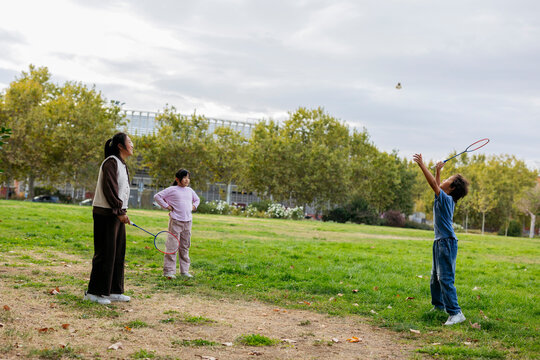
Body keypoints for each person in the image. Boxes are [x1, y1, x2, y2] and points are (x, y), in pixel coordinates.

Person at [413, 154, 469, 325]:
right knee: (435, 278)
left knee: (445, 278)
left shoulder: (446, 199)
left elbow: (433, 186)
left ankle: (456, 313)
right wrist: (438, 171)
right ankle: (439, 306)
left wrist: (422, 165)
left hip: (446, 242)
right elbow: (437, 186)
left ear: (451, 188)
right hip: (440, 242)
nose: (443, 180)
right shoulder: (444, 197)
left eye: (447, 179)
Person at [84, 132, 133, 305]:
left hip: (116, 214)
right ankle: (94, 292)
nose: (132, 144)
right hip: (106, 214)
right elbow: (109, 189)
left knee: (117, 253)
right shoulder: (111, 162)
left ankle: (113, 290)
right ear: (120, 146)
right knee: (105, 253)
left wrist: (122, 212)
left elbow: (121, 191)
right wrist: (119, 210)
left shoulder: (121, 164)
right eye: (129, 142)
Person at [154, 169, 200, 279]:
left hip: (187, 222)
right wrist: (167, 206)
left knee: (185, 247)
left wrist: (194, 206)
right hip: (175, 221)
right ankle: (169, 271)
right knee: (172, 246)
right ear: (177, 179)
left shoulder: (189, 190)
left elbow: (197, 199)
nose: (186, 180)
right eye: (184, 177)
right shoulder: (172, 189)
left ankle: (184, 271)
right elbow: (157, 196)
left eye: (188, 177)